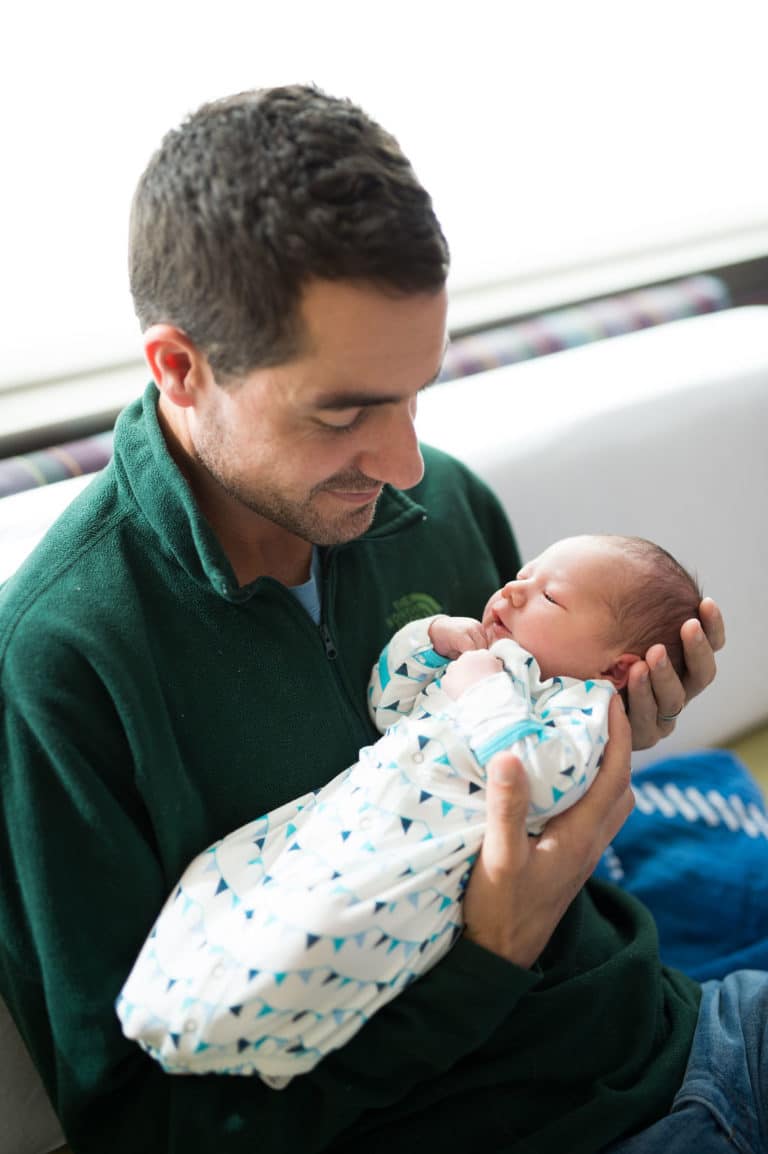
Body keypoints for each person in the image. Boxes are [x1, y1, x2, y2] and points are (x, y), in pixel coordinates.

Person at [0, 84, 742, 1154]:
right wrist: (488, 956)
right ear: (180, 367)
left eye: (415, 392)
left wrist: (605, 727)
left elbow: (509, 783)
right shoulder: (61, 667)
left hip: (682, 1026)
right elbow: (144, 1127)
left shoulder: (443, 504)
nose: (405, 465)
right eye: (345, 411)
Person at [117, 534, 703, 1086]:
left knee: (324, 934)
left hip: (417, 863)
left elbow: (540, 784)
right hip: (343, 814)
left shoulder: (582, 705)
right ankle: (167, 994)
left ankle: (248, 1036)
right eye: (523, 576)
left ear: (615, 669)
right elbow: (388, 706)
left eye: (550, 596)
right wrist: (432, 641)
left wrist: (483, 692)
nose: (513, 591)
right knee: (232, 870)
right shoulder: (489, 662)